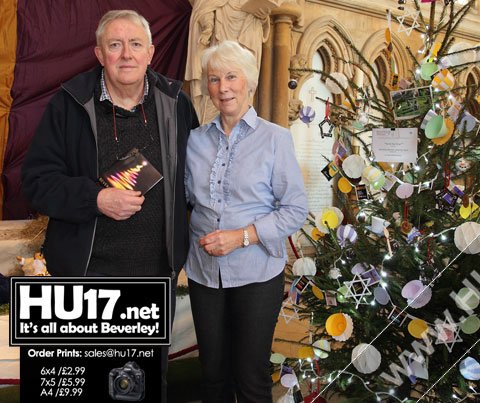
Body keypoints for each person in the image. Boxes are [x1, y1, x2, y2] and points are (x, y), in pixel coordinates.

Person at [21, 10, 198, 403]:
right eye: (115, 45)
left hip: (155, 278)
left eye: (135, 44)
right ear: (99, 53)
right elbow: (36, 183)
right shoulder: (70, 103)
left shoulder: (176, 104)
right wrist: (95, 198)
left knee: (146, 386)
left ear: (151, 52)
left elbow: (197, 181)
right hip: (87, 280)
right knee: (86, 388)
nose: (126, 55)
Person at [185, 40, 307, 402]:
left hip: (257, 273)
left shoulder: (275, 139)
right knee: (212, 375)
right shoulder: (193, 140)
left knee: (251, 376)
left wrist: (242, 236)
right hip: (204, 274)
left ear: (250, 83)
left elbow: (295, 209)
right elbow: (186, 199)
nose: (223, 87)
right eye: (214, 78)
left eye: (231, 76)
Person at [185, 0, 280, 123]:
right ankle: (212, 128)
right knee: (217, 83)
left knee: (244, 85)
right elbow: (204, 6)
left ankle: (242, 126)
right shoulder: (197, 140)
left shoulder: (276, 137)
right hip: (223, 27)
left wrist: (261, 12)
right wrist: (208, 26)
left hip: (249, 29)